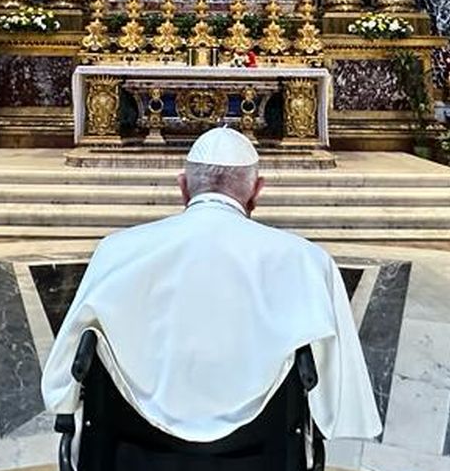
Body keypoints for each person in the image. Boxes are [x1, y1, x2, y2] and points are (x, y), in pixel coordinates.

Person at [41, 127, 381, 443]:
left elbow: (64, 373)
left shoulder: (116, 251)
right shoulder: (307, 261)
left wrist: (66, 402)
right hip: (267, 460)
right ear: (257, 191)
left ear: (183, 187)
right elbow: (340, 393)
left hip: (128, 457)